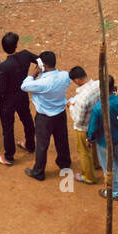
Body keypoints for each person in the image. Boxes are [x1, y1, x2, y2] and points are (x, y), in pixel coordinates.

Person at [22, 51, 71, 180]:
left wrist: (34, 73)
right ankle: (64, 163)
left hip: (44, 117)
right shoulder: (64, 75)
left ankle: (38, 172)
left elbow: (24, 86)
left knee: (42, 145)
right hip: (60, 114)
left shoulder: (43, 83)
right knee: (62, 140)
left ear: (43, 65)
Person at [0, 32, 36, 165]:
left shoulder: (4, 66)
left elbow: (2, 87)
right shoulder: (25, 55)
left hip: (7, 101)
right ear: (16, 45)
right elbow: (41, 61)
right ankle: (30, 145)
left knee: (8, 128)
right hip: (22, 95)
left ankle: (9, 156)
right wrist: (34, 75)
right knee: (27, 119)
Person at [89, 76, 118, 199]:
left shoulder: (98, 107)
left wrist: (90, 138)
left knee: (109, 166)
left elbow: (93, 128)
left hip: (104, 141)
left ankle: (114, 192)